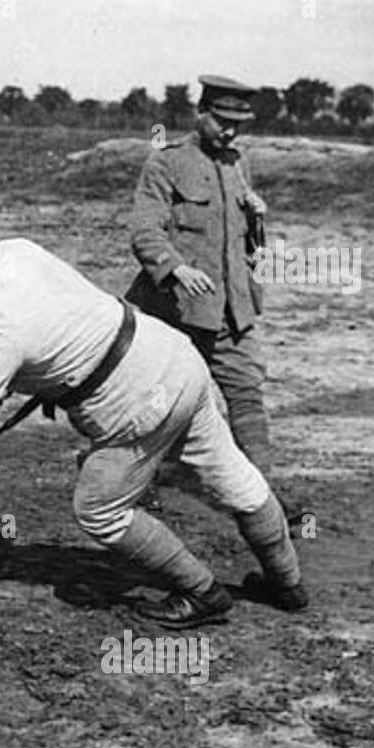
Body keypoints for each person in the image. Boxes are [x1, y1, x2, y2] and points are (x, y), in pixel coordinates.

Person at [0, 223, 308, 629]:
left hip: (137, 399)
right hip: (174, 357)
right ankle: (287, 585)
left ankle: (202, 593)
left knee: (99, 507)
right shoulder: (13, 251)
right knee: (234, 479)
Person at [126, 75, 307, 526]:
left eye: (238, 124)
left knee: (246, 394)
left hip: (234, 308)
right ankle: (130, 485)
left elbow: (244, 241)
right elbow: (144, 230)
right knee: (163, 401)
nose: (230, 131)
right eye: (223, 121)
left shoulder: (237, 163)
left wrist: (260, 217)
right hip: (179, 313)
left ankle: (265, 500)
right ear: (201, 113)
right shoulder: (166, 164)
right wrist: (175, 268)